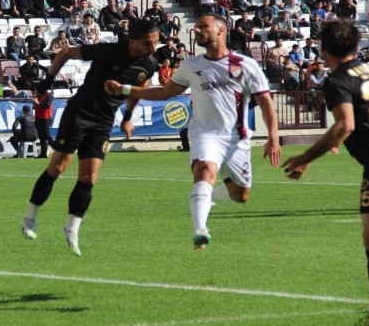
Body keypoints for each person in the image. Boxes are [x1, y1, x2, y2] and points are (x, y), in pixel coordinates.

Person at [105, 14, 281, 249]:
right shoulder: (191, 65)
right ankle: (200, 229)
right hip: (204, 133)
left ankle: (209, 197)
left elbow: (266, 101)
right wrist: (126, 89)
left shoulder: (245, 65)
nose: (197, 31)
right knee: (204, 171)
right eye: (196, 27)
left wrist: (273, 137)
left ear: (221, 30)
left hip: (237, 138)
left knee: (241, 195)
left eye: (203, 27)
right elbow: (164, 93)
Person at [282, 20, 369, 326]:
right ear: (356, 46)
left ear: (322, 48)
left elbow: (345, 125)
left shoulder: (338, 80)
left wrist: (305, 157)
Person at [21, 20, 159, 256]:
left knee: (90, 175)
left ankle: (72, 228)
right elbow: (65, 52)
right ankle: (30, 215)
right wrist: (47, 82)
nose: (153, 48)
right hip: (79, 113)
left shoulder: (150, 63)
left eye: (156, 42)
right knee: (59, 166)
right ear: (133, 40)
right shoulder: (107, 50)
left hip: (103, 122)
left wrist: (127, 117)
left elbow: (140, 88)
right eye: (148, 43)